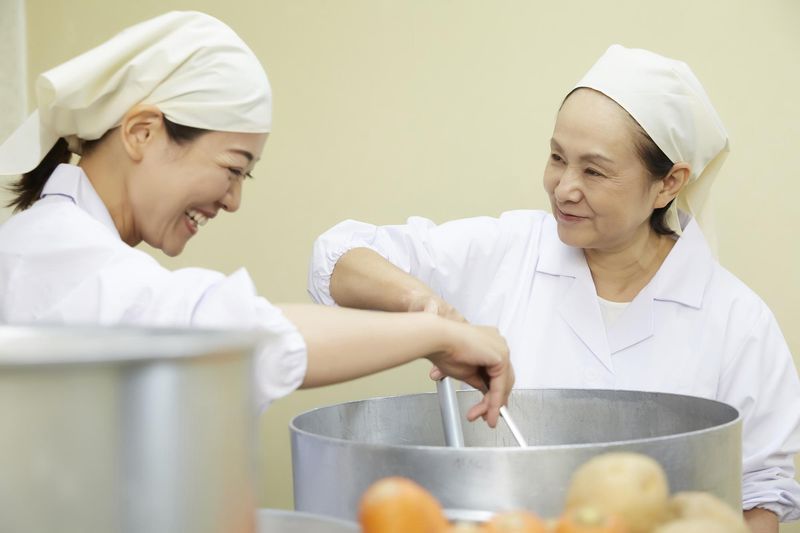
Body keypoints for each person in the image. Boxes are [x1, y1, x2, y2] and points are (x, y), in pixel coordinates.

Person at [308, 45, 800, 531]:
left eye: (594, 171)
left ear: (669, 183)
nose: (564, 188)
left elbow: (760, 496)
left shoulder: (737, 320)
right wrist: (433, 316)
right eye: (557, 157)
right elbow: (338, 257)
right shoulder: (506, 250)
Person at [0, 11, 514, 427]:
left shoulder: (65, 241)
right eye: (232, 169)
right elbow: (236, 340)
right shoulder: (56, 251)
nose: (233, 201)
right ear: (142, 133)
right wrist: (435, 334)